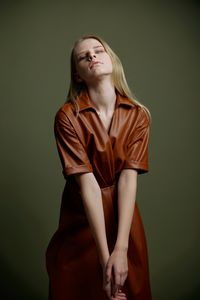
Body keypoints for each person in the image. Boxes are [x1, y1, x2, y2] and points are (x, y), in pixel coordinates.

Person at [46, 34, 152, 300]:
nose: (92, 56)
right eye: (84, 56)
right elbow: (88, 185)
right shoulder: (67, 116)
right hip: (81, 219)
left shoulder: (138, 114)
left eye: (98, 51)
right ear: (78, 75)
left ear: (112, 61)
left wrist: (121, 249)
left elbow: (128, 179)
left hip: (124, 220)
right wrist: (106, 258)